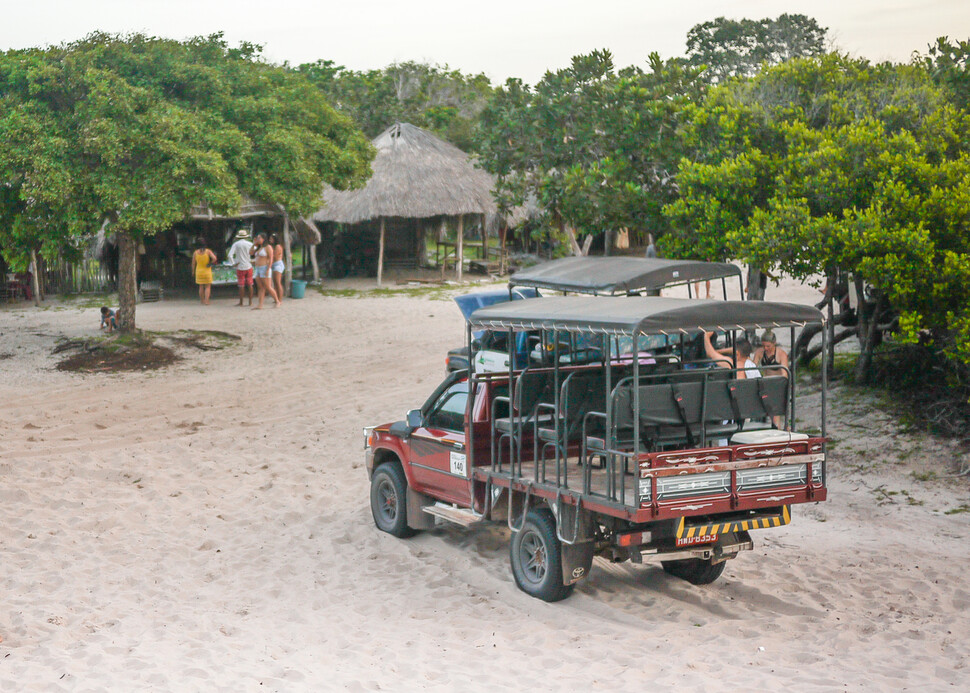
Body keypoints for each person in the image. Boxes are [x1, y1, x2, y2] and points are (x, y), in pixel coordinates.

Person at [250, 233, 280, 310]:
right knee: (260, 287)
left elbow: (270, 258)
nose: (258, 239)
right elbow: (251, 253)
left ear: (264, 239)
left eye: (259, 238)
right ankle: (260, 304)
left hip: (264, 267)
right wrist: (254, 244)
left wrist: (268, 269)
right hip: (258, 268)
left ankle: (277, 301)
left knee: (268, 286)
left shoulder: (268, 247)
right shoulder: (258, 247)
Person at [227, 229, 254, 307]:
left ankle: (241, 302)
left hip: (240, 266)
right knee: (250, 284)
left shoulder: (236, 244)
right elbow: (254, 253)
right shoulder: (249, 244)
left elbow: (230, 255)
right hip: (248, 266)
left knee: (241, 285)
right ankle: (250, 302)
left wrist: (233, 263)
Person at [191, 238, 217, 305]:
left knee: (201, 286)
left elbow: (193, 263)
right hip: (207, 270)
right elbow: (214, 258)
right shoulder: (208, 251)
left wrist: (193, 271)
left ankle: (202, 300)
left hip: (199, 271)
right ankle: (206, 301)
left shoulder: (195, 253)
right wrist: (210, 263)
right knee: (207, 287)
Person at [269, 233, 285, 302]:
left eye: (271, 239)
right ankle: (277, 298)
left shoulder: (278, 246)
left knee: (278, 283)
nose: (270, 240)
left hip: (277, 265)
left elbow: (274, 257)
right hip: (275, 265)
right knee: (275, 283)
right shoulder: (273, 246)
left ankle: (280, 299)